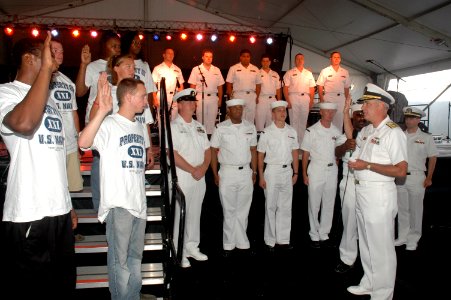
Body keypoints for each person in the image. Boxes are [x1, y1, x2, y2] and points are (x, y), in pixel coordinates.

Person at [0, 33, 76, 299]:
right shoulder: (6, 93)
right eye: (47, 56)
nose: (55, 62)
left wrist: (68, 205)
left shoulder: (50, 100)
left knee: (63, 286)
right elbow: (24, 124)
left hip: (59, 212)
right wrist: (45, 70)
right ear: (29, 59)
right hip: (29, 213)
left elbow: (54, 158)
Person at [78, 76, 149, 300]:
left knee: (135, 262)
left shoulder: (138, 126)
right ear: (128, 97)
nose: (146, 101)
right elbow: (83, 142)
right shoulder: (109, 124)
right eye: (143, 96)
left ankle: (134, 297)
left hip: (139, 206)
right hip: (120, 207)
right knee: (120, 265)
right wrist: (101, 111)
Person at [347, 83, 407, 299]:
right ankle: (370, 282)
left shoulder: (393, 133)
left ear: (382, 106)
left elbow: (401, 170)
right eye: (364, 104)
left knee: (381, 246)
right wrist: (358, 165)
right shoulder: (366, 130)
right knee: (366, 242)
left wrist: (368, 166)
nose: (363, 109)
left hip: (380, 196)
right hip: (362, 193)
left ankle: (383, 292)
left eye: (368, 104)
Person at [75, 31, 121, 210]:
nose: (117, 49)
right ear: (104, 46)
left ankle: (115, 202)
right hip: (97, 120)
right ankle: (99, 205)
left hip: (117, 121)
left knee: (115, 159)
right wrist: (83, 65)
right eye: (113, 46)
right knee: (99, 159)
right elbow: (79, 92)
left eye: (118, 46)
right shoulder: (93, 67)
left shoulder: (121, 66)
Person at [89, 54, 155, 171]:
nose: (132, 70)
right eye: (128, 66)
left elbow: (145, 122)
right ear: (116, 68)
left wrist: (149, 149)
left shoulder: (139, 94)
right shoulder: (107, 92)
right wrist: (99, 97)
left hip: (135, 150)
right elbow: (93, 120)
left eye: (133, 67)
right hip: (113, 151)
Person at [210, 98, 257, 256]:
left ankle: (242, 241)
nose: (238, 110)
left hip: (245, 172)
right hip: (227, 172)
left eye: (240, 108)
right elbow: (213, 151)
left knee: (243, 209)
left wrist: (254, 171)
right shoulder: (220, 128)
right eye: (235, 108)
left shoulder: (250, 127)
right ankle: (228, 243)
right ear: (228, 111)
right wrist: (215, 174)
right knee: (229, 209)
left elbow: (253, 151)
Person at [170, 88, 211, 268]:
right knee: (180, 215)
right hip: (184, 176)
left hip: (199, 176)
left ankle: (192, 246)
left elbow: (207, 151)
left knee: (195, 213)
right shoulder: (173, 127)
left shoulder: (199, 126)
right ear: (179, 105)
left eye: (193, 101)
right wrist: (193, 169)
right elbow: (172, 153)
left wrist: (202, 168)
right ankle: (178, 251)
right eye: (188, 101)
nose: (193, 104)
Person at [301, 101, 345, 248]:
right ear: (321, 112)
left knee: (329, 203)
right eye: (327, 111)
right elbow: (306, 153)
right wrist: (304, 174)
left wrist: (337, 161)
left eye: (332, 111)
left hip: (332, 170)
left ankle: (324, 232)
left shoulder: (337, 131)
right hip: (316, 169)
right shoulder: (311, 131)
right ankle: (314, 233)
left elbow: (339, 151)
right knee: (314, 203)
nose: (330, 114)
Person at [257, 100, 299, 250]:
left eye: (284, 110)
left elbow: (295, 152)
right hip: (272, 171)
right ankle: (270, 240)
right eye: (279, 110)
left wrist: (296, 172)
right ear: (273, 114)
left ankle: (283, 239)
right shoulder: (267, 132)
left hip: (287, 171)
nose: (283, 113)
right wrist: (261, 176)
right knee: (270, 206)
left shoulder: (292, 131)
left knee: (286, 206)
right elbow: (260, 155)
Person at [395, 106, 438, 251]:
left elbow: (432, 158)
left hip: (417, 177)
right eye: (407, 118)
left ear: (419, 120)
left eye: (412, 118)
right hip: (400, 177)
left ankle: (413, 238)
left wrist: (430, 177)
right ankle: (402, 236)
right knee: (402, 209)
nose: (409, 120)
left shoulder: (426, 137)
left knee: (415, 210)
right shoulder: (399, 135)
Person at [334, 100, 368, 273]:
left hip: (369, 183)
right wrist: (345, 146)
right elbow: (337, 153)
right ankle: (347, 258)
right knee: (349, 221)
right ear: (352, 117)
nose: (361, 118)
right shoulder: (344, 135)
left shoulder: (371, 134)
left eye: (363, 114)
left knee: (368, 222)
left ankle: (368, 258)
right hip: (349, 181)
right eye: (358, 115)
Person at [50, 39, 83, 192]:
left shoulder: (68, 82)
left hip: (70, 143)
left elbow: (74, 113)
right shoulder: (39, 80)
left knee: (72, 187)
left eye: (62, 50)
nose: (60, 53)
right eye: (55, 50)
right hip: (51, 144)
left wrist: (78, 140)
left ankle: (70, 214)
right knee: (53, 186)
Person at [188, 49, 225, 136]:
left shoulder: (216, 70)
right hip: (200, 97)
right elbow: (192, 86)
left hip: (213, 98)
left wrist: (220, 100)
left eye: (211, 57)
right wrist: (192, 100)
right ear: (202, 57)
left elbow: (220, 86)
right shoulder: (196, 69)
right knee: (201, 120)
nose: (209, 58)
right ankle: (201, 140)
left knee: (212, 121)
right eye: (207, 56)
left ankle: (210, 141)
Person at [283, 53, 316, 146]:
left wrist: (311, 101)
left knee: (303, 121)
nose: (300, 60)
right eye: (297, 58)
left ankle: (301, 144)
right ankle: (293, 144)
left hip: (305, 98)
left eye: (301, 58)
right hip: (293, 97)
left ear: (304, 60)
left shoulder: (308, 73)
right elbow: (285, 88)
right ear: (295, 60)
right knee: (294, 121)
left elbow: (312, 88)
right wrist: (287, 101)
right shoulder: (289, 72)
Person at [121, 31, 158, 110]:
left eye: (139, 43)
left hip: (142, 110)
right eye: (134, 42)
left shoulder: (144, 65)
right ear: (127, 43)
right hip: (126, 108)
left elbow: (150, 91)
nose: (138, 45)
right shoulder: (120, 62)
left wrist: (150, 113)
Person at [316, 51, 351, 132]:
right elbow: (320, 85)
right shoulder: (325, 71)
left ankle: (338, 142)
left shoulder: (345, 72)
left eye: (338, 57)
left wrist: (346, 101)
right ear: (330, 59)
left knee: (339, 121)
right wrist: (321, 99)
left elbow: (346, 88)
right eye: (334, 57)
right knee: (327, 120)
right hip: (329, 98)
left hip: (341, 98)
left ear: (340, 59)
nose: (336, 59)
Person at [226, 49, 262, 124]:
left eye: (248, 56)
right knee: (238, 117)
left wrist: (257, 97)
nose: (246, 58)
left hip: (251, 96)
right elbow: (229, 83)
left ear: (250, 57)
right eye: (244, 56)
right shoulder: (234, 68)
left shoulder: (255, 69)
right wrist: (231, 97)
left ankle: (249, 135)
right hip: (238, 95)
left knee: (251, 118)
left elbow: (258, 84)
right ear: (240, 57)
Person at [152, 47, 185, 120]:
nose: (171, 55)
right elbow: (153, 85)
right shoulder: (157, 68)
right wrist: (154, 99)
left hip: (174, 96)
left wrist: (180, 98)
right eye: (169, 53)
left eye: (172, 54)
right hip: (162, 95)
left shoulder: (177, 69)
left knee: (174, 121)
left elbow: (181, 86)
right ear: (164, 55)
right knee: (162, 121)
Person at [255, 54, 281, 132]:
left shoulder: (275, 74)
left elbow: (278, 89)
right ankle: (259, 142)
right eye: (264, 61)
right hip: (261, 99)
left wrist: (278, 102)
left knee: (272, 123)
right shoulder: (257, 73)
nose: (265, 63)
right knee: (259, 123)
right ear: (261, 62)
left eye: (267, 61)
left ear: (270, 62)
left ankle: (270, 143)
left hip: (272, 100)